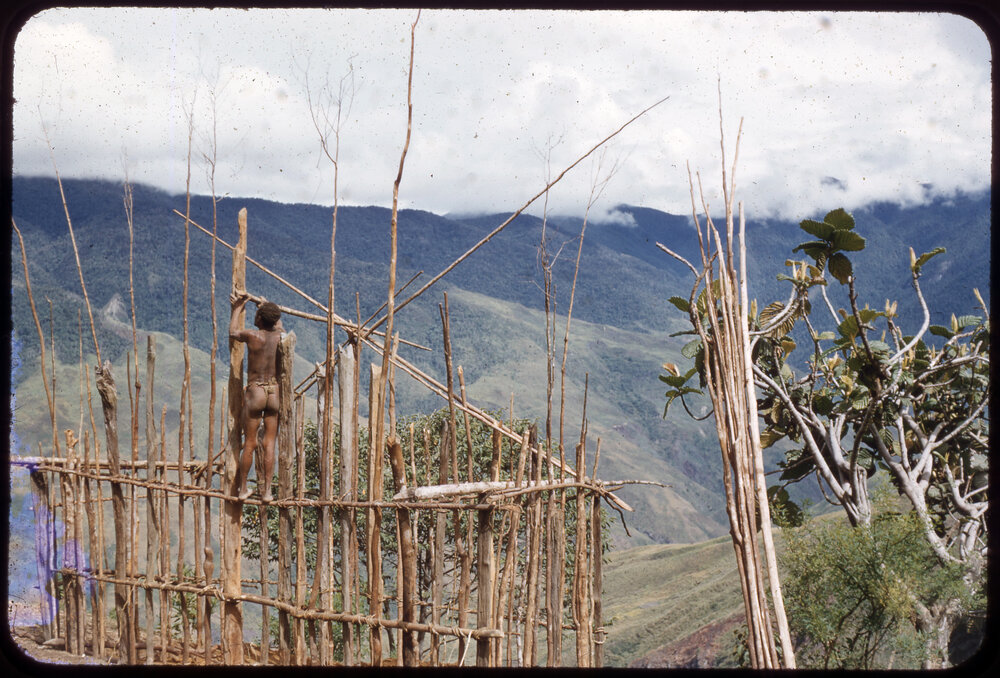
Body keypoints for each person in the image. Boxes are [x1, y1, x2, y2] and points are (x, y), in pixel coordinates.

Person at [230, 291, 283, 502]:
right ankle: (268, 492)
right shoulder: (280, 338)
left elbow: (233, 332)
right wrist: (267, 304)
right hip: (274, 392)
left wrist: (236, 308)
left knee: (250, 442)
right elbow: (279, 325)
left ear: (260, 319)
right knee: (270, 443)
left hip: (256, 391)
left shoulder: (253, 336)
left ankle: (243, 488)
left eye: (258, 314)